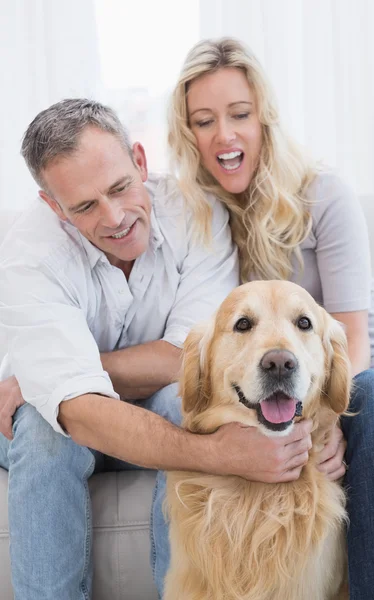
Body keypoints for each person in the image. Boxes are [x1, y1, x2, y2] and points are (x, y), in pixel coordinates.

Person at [0, 98, 317, 600]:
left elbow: (192, 358)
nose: (115, 217)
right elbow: (76, 413)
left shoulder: (196, 215)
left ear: (141, 162)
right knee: (44, 428)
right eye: (83, 206)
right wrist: (217, 454)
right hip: (36, 420)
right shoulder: (27, 258)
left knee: (185, 402)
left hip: (117, 399)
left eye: (121, 187)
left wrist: (63, 372)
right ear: (54, 207)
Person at [161, 37, 374, 600]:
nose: (225, 135)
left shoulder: (324, 195)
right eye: (204, 120)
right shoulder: (203, 222)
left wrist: (331, 423)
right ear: (188, 135)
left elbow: (354, 342)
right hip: (281, 386)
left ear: (264, 118)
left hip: (368, 375)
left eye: (240, 114)